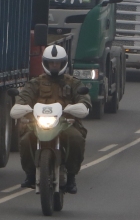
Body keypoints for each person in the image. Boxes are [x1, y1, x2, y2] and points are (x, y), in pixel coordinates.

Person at [9, 45, 90, 194]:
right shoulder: (35, 83)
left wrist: (81, 105)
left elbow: (84, 99)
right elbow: (23, 97)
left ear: (63, 63)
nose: (54, 66)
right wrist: (21, 106)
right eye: (51, 63)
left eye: (57, 63)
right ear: (45, 63)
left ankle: (71, 176)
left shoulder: (73, 83)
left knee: (76, 139)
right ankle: (30, 174)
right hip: (39, 124)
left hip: (65, 124)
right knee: (26, 140)